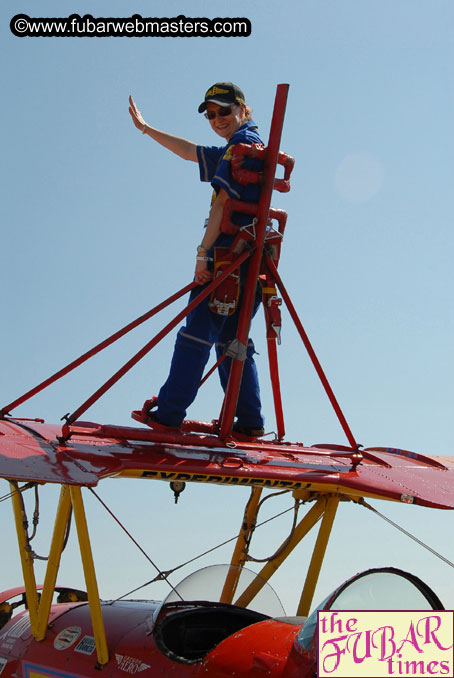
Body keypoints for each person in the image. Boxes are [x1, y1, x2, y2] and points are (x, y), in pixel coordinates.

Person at [129, 82, 265, 437]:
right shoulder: (253, 146)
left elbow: (222, 203)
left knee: (196, 335)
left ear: (242, 108)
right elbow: (191, 152)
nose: (217, 118)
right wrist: (146, 129)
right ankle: (249, 420)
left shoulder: (239, 148)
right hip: (254, 260)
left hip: (226, 257)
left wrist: (202, 255)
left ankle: (169, 412)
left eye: (224, 110)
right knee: (233, 339)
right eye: (211, 114)